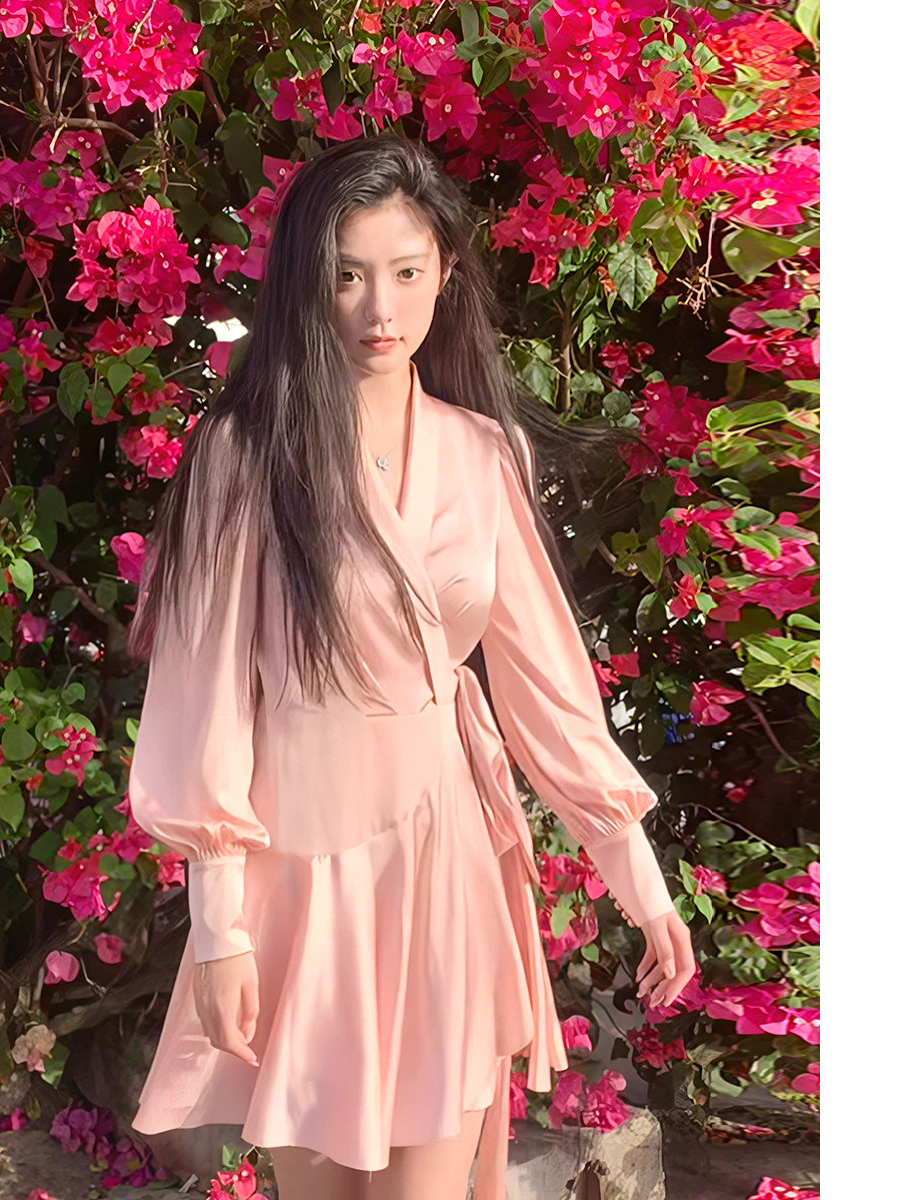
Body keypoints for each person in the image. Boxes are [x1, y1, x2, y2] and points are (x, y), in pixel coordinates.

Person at [124, 133, 696, 1200]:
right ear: (306, 284)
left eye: (406, 272)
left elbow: (545, 680)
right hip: (302, 878)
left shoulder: (483, 452)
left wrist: (638, 875)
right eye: (347, 276)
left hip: (447, 866)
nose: (378, 310)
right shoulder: (244, 456)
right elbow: (204, 701)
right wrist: (218, 926)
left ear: (445, 274)